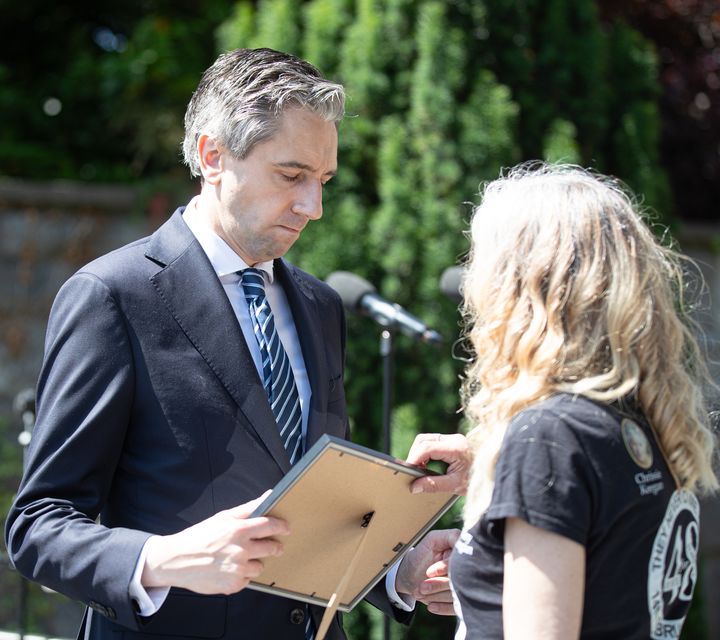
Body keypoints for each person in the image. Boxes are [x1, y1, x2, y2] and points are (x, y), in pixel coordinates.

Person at [4, 48, 457, 640]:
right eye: (292, 176)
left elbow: (313, 505)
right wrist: (163, 560)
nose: (312, 208)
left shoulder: (320, 307)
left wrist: (402, 566)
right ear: (212, 155)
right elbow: (37, 527)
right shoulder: (111, 296)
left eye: (322, 182)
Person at [407, 163, 719, 639]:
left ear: (521, 287)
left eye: (482, 263)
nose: (471, 287)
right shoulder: (643, 418)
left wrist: (529, 468)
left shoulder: (549, 437)